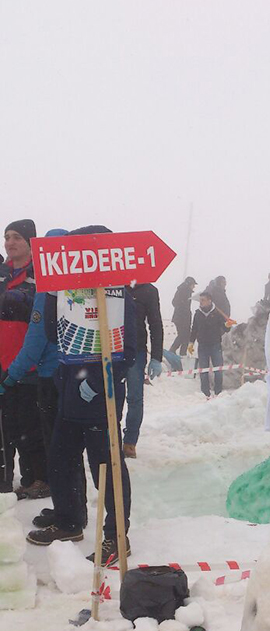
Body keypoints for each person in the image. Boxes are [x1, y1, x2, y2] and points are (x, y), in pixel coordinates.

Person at [26, 226, 137, 565]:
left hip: (100, 400)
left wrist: (98, 384)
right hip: (69, 396)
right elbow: (51, 333)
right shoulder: (70, 292)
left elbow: (128, 350)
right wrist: (51, 290)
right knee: (60, 461)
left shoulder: (118, 294)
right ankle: (70, 521)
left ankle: (117, 535)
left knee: (107, 466)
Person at [0, 219, 48, 498]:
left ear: (31, 243)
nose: (10, 242)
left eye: (17, 237)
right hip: (2, 361)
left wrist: (16, 299)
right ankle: (8, 480)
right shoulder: (3, 274)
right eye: (7, 237)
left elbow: (41, 313)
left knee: (29, 427)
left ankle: (37, 479)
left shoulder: (39, 275)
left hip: (29, 364)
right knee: (7, 428)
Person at [123, 282, 164, 459]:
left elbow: (155, 324)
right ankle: (111, 439)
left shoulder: (148, 290)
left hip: (136, 350)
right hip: (110, 348)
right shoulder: (111, 283)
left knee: (134, 397)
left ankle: (130, 441)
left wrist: (156, 356)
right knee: (111, 396)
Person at [188, 290, 226, 398]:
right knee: (203, 370)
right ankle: (205, 394)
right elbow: (194, 329)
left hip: (215, 345)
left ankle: (218, 392)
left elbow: (225, 328)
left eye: (203, 300)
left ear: (209, 301)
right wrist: (191, 342)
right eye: (200, 300)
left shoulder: (217, 313)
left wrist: (228, 324)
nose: (201, 302)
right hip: (202, 346)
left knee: (218, 369)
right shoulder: (198, 314)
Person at [170, 276, 196, 355]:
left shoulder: (181, 290)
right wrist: (184, 308)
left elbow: (174, 302)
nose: (194, 286)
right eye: (193, 284)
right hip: (182, 318)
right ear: (189, 284)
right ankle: (177, 352)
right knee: (184, 336)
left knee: (184, 336)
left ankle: (177, 352)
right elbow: (175, 302)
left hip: (180, 317)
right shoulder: (185, 291)